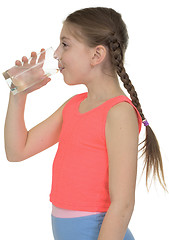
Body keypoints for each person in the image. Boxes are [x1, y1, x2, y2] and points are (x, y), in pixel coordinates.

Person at [4, 7, 167, 240]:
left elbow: (123, 205)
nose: (57, 54)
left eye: (65, 44)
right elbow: (17, 150)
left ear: (96, 55)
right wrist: (18, 93)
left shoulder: (119, 112)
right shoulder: (74, 105)